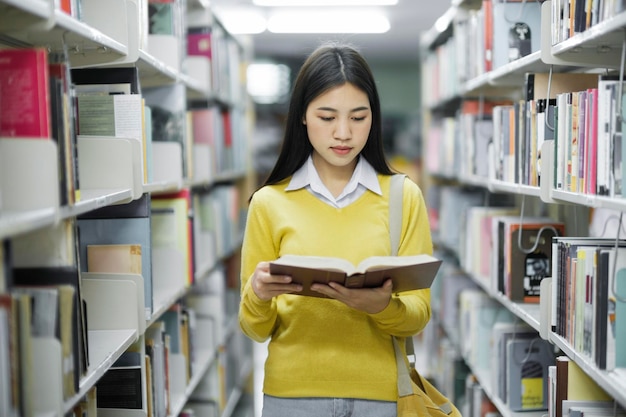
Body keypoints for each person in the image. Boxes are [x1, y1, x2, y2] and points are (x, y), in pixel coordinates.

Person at [239, 42, 433, 417]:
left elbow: (419, 314)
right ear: (302, 116)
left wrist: (382, 307)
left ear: (373, 118)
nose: (343, 133)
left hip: (381, 397)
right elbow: (254, 329)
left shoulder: (403, 197)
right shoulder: (268, 202)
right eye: (327, 118)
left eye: (358, 118)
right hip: (291, 398)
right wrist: (258, 294)